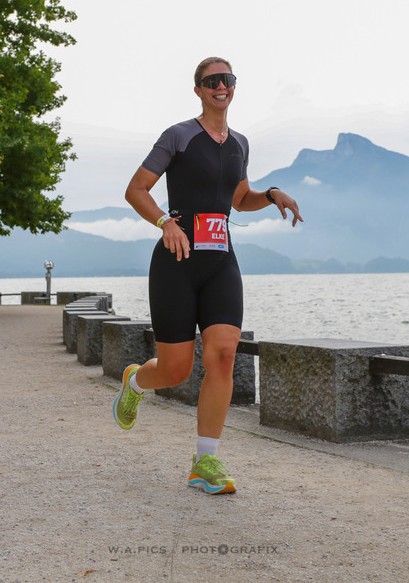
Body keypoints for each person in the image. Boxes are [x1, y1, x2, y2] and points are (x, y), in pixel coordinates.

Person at [115, 57, 302, 494]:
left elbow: (238, 198)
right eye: (211, 81)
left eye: (227, 80)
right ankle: (136, 381)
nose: (221, 86)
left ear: (234, 87)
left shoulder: (239, 143)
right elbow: (135, 189)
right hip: (176, 261)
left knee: (223, 355)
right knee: (177, 370)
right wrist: (165, 222)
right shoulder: (178, 136)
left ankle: (205, 462)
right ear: (198, 89)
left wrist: (271, 195)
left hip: (221, 261)